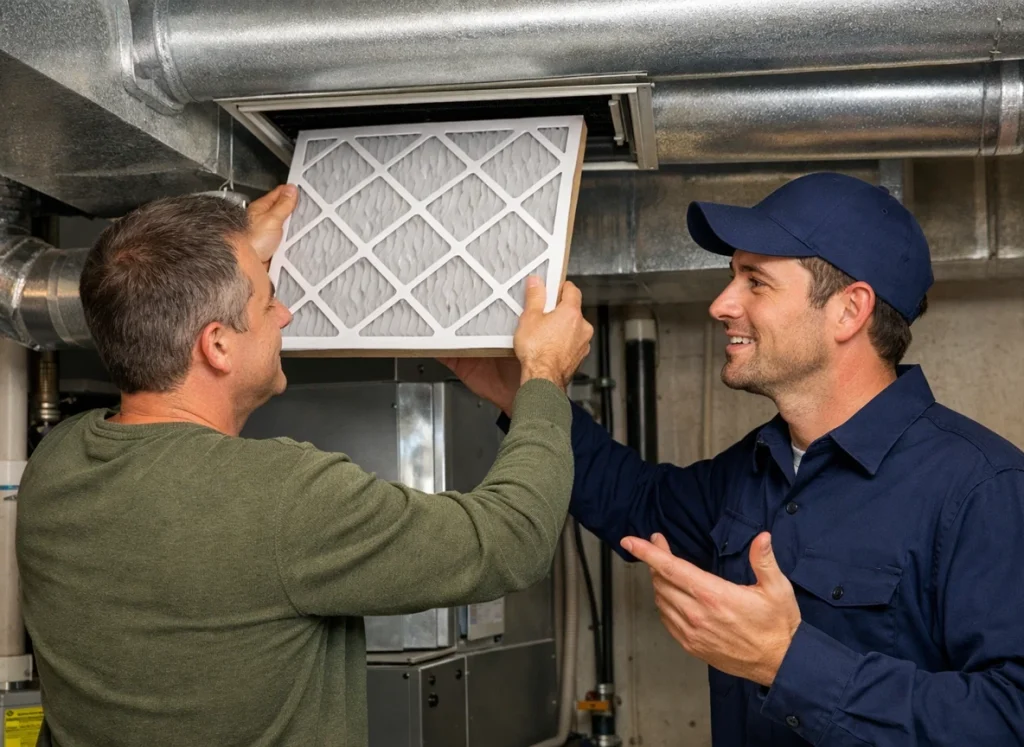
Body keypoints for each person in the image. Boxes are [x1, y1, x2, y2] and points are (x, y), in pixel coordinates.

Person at [450, 172, 1024, 746]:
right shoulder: (756, 465)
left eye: (756, 282)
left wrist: (787, 662)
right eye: (732, 277)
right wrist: (525, 391)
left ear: (849, 311)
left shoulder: (983, 489)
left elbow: (1009, 714)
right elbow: (636, 500)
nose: (721, 305)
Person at [15, 184, 593, 747]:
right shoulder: (281, 498)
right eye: (269, 298)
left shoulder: (55, 466)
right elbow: (512, 539)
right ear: (217, 345)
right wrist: (544, 376)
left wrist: (227, 255)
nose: (285, 314)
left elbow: (157, 291)